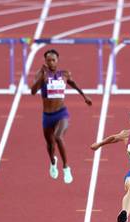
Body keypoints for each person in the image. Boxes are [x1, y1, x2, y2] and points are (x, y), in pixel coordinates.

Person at [31, 49, 92, 183]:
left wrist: (84, 96)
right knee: (50, 145)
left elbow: (73, 83)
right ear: (45, 61)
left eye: (53, 60)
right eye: (48, 60)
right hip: (47, 116)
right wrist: (41, 78)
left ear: (57, 61)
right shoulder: (41, 74)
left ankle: (66, 167)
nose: (51, 62)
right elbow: (33, 91)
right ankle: (53, 162)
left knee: (58, 137)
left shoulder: (64, 74)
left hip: (61, 113)